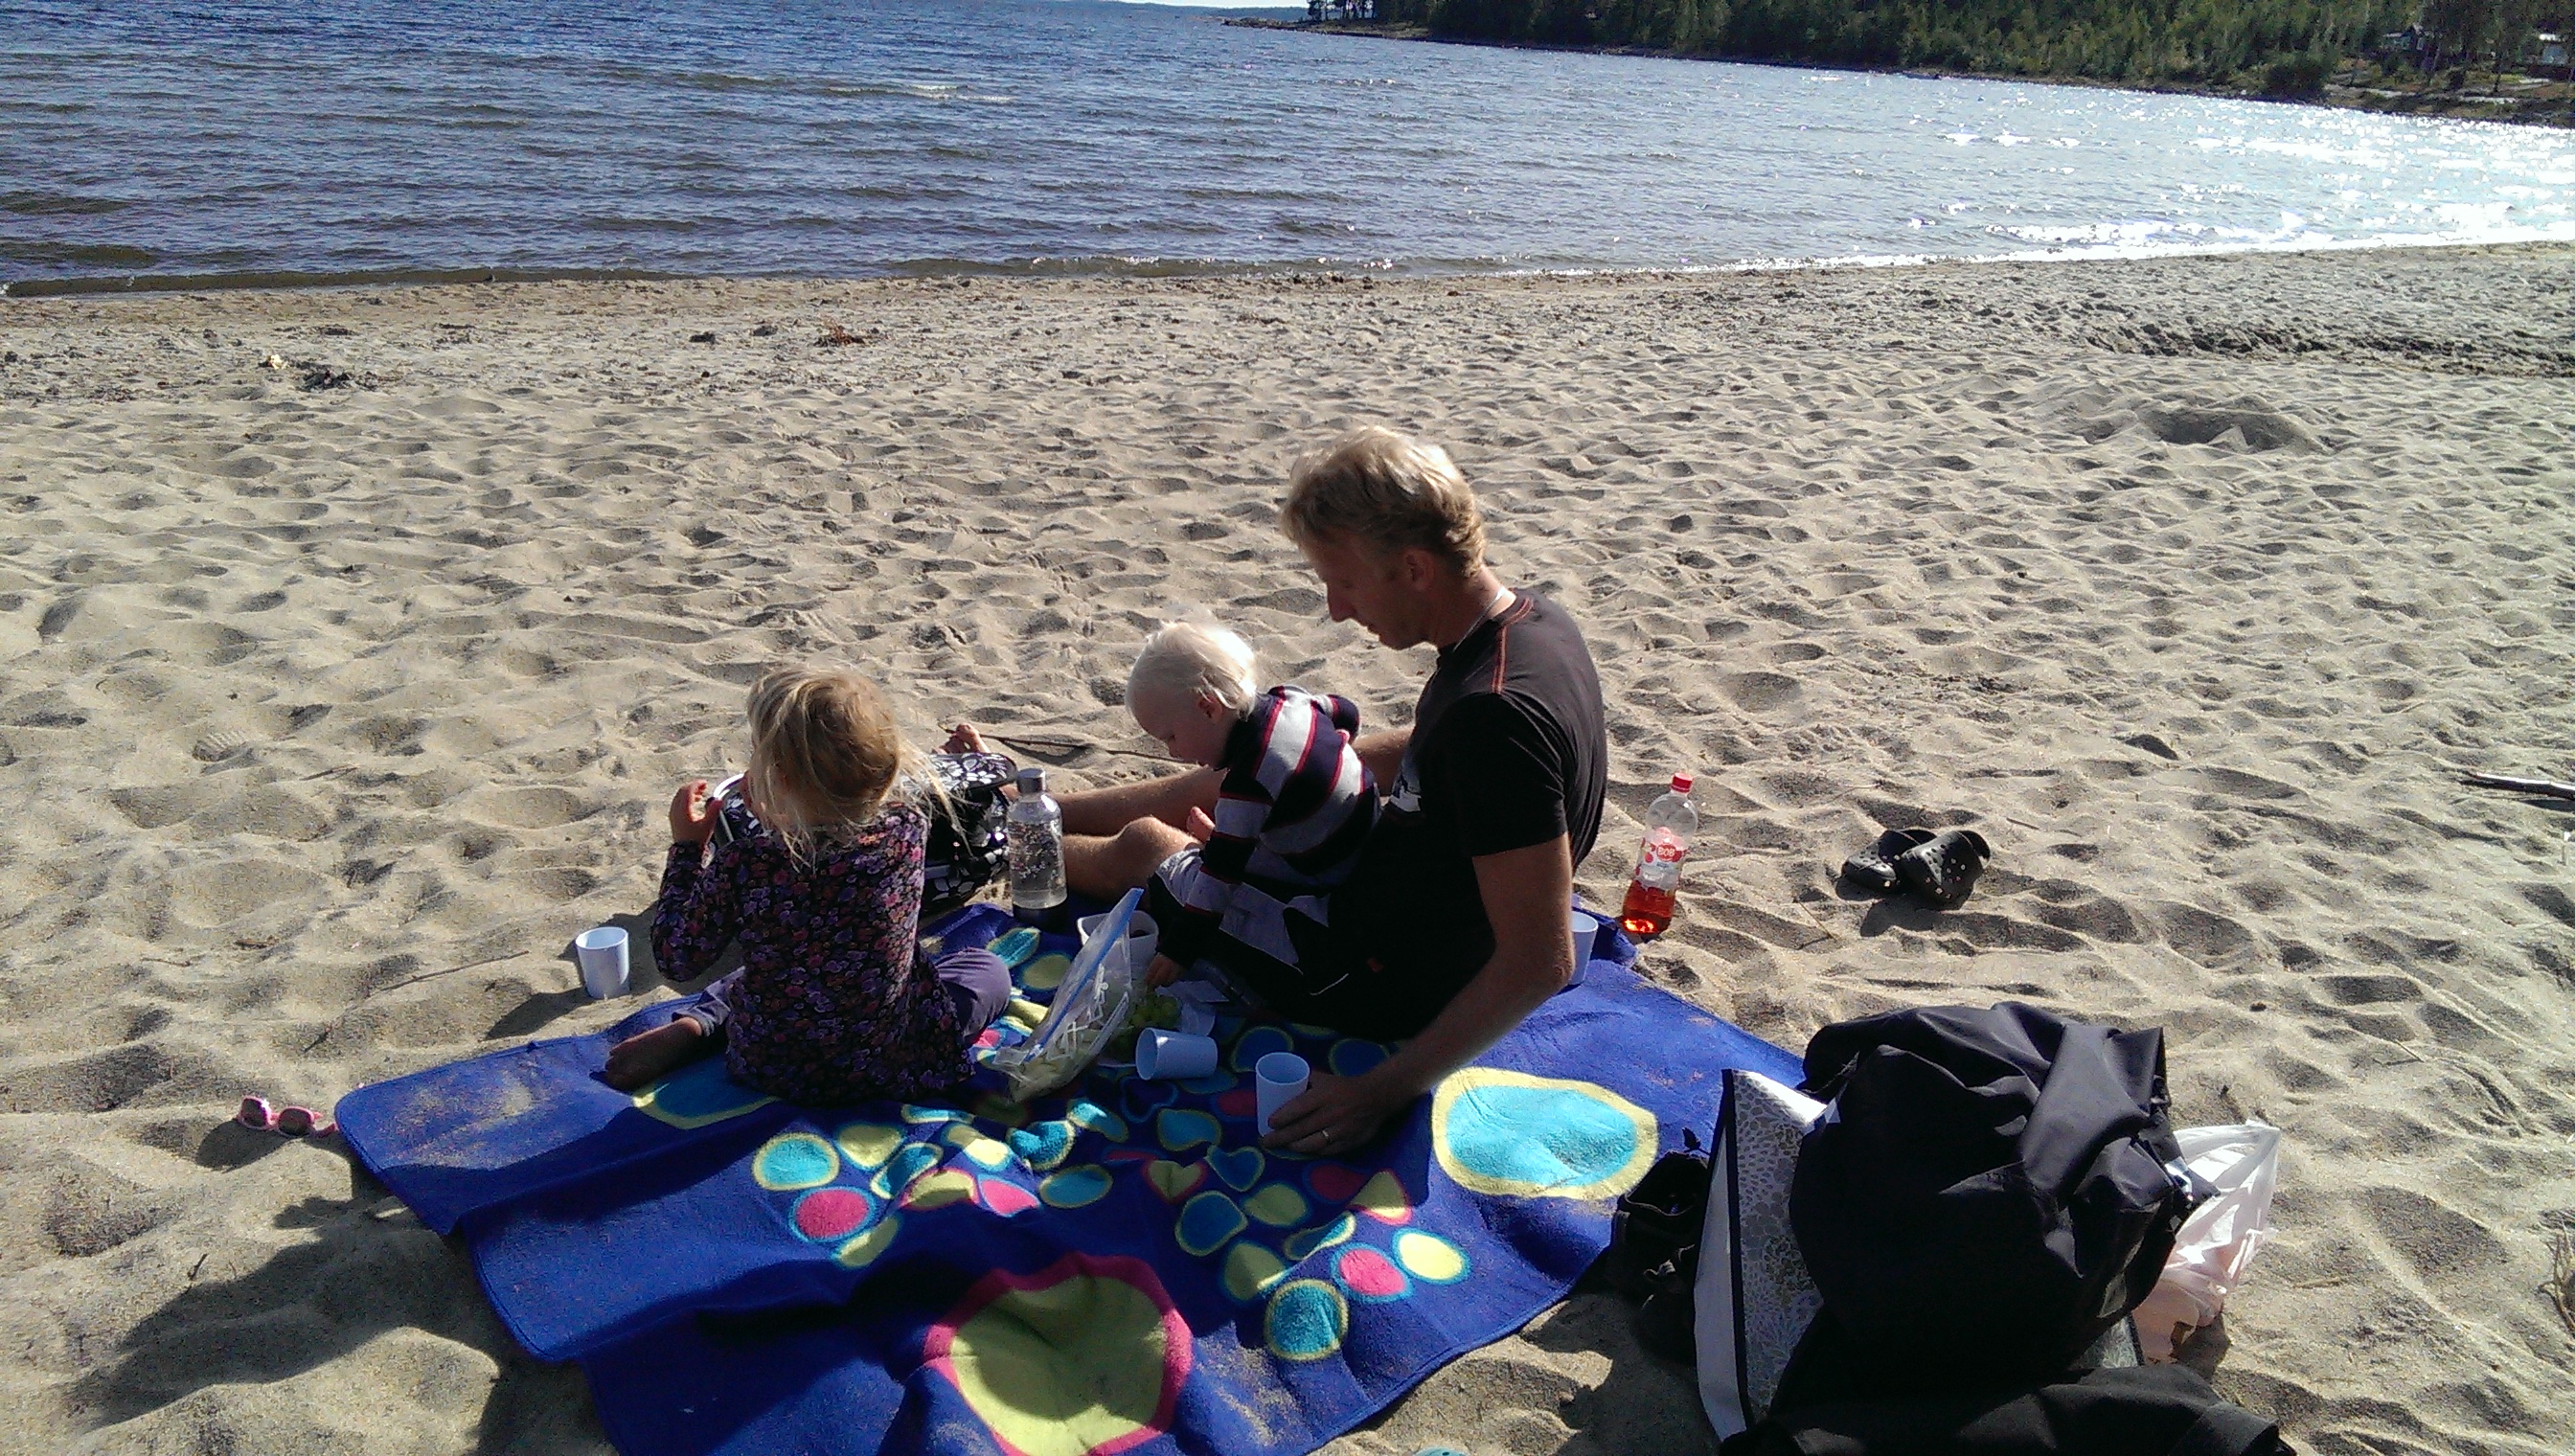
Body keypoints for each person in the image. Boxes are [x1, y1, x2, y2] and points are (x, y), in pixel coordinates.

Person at [1055, 426, 1607, 1157]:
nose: (1337, 609)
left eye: (1344, 582)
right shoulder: (1530, 628)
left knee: (1148, 847)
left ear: (1414, 568)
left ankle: (1001, 842)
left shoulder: (1493, 719)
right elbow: (1430, 755)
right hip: (1381, 891)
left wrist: (1378, 1093)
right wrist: (1297, 781)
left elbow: (1539, 962)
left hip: (1366, 975)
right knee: (1241, 782)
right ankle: (1037, 811)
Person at [601, 667, 1012, 1102]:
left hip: (772, 1065)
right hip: (889, 1060)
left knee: (779, 966)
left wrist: (687, 849)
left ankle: (702, 1023)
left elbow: (676, 957)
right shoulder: (909, 826)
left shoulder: (746, 862)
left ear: (778, 780)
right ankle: (711, 1021)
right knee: (987, 971)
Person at [1087, 618, 1378, 995]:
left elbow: (1219, 881)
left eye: (1171, 737)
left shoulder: (1249, 784)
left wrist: (1179, 949)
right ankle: (1225, 840)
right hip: (1364, 829)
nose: (1172, 752)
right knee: (1242, 836)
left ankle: (1221, 841)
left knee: (1216, 864)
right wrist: (1337, 754)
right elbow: (1346, 711)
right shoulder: (1290, 700)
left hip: (1326, 871)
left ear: (1208, 708)